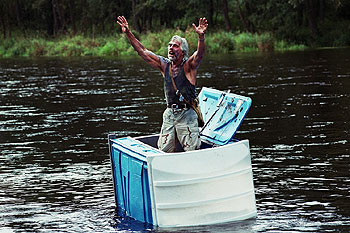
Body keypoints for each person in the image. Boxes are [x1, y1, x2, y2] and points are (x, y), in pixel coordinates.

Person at [116, 16, 208, 152]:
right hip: (170, 113)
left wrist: (201, 37)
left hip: (186, 115)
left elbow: (199, 55)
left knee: (192, 150)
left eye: (175, 46)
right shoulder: (164, 65)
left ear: (183, 51)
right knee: (163, 150)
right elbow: (142, 51)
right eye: (170, 45)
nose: (171, 48)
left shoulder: (189, 66)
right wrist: (128, 33)